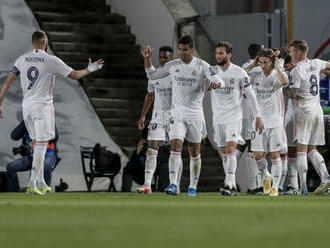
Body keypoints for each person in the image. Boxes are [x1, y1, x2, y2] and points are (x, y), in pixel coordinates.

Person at [0, 30, 103, 195]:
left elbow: (7, 82)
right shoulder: (50, 60)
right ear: (45, 42)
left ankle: (40, 181)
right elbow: (75, 75)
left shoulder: (22, 59)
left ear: (32, 42)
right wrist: (90, 68)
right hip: (42, 106)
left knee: (35, 143)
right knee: (42, 143)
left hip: (26, 106)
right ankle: (33, 182)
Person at [144, 35, 225, 196]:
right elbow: (152, 76)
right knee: (176, 146)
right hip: (177, 114)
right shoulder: (172, 65)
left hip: (195, 114)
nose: (181, 53)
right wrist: (147, 60)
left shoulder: (202, 65)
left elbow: (219, 80)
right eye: (180, 49)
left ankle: (193, 186)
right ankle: (173, 184)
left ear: (192, 50)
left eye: (185, 50)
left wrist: (216, 84)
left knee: (194, 152)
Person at [209, 42, 263, 196]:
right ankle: (229, 182)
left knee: (232, 148)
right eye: (217, 53)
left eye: (221, 53)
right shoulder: (211, 72)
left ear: (229, 55)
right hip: (217, 118)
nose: (218, 56)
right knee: (225, 152)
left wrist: (258, 116)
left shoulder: (239, 72)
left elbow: (251, 96)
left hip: (234, 117)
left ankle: (230, 184)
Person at [136, 46, 183, 194]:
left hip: (175, 115)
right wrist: (143, 115)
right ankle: (147, 185)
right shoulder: (154, 75)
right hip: (158, 115)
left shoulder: (177, 74)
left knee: (175, 150)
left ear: (172, 59)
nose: (163, 60)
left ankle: (175, 184)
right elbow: (150, 96)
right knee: (152, 148)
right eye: (161, 57)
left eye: (166, 58)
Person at [289, 40, 330, 195]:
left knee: (301, 149)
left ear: (299, 52)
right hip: (317, 111)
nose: (291, 54)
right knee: (312, 148)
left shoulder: (296, 71)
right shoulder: (317, 63)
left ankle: (303, 187)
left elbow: (293, 93)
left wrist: (283, 87)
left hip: (304, 112)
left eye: (293, 51)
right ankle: (325, 177)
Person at [245, 48, 289, 196]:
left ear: (272, 61)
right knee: (257, 155)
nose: (263, 65)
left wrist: (277, 66)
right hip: (258, 120)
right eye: (261, 62)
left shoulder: (278, 73)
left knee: (275, 154)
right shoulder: (255, 72)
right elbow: (241, 74)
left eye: (266, 62)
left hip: (274, 120)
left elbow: (285, 82)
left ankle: (275, 187)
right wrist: (253, 64)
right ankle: (266, 175)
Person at [7, 121, 59, 192]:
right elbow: (14, 136)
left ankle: (44, 191)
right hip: (31, 157)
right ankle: (15, 193)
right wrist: (25, 122)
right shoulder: (27, 122)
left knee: (45, 166)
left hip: (48, 154)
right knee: (11, 167)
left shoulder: (47, 119)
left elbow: (55, 136)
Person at [240, 43, 264, 194]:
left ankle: (254, 184)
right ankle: (254, 185)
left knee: (248, 147)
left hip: (251, 112)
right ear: (258, 54)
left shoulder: (248, 66)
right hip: (250, 114)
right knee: (251, 147)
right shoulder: (249, 66)